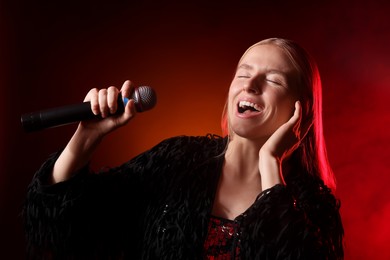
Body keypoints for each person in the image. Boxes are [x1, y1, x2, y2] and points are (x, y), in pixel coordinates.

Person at [23, 38, 344, 259]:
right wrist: (87, 136)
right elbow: (62, 222)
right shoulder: (177, 162)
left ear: (300, 109)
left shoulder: (314, 207)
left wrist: (270, 162)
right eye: (243, 73)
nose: (250, 84)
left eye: (273, 80)